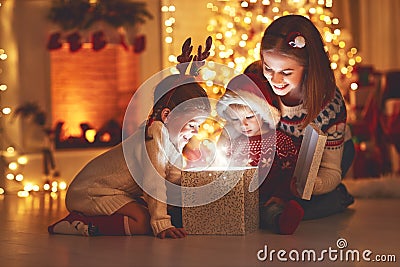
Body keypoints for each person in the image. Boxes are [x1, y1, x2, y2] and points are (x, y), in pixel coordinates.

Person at [48, 37, 212, 239]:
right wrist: (161, 223)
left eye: (199, 126)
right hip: (90, 192)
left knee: (152, 211)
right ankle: (76, 224)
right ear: (167, 115)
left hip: (119, 193)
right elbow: (155, 181)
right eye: (191, 124)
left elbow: (174, 177)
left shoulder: (174, 140)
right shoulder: (154, 133)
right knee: (143, 223)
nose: (196, 131)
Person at [258, 14, 354, 220]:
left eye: (286, 72)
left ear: (309, 68)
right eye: (268, 68)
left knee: (302, 206)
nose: (275, 79)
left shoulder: (328, 105)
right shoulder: (258, 84)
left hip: (325, 162)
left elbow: (331, 171)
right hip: (283, 162)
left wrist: (311, 186)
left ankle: (336, 197)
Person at [216, 73, 304, 235]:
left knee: (269, 212)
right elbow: (222, 168)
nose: (243, 124)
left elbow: (291, 171)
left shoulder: (279, 140)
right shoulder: (234, 142)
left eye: (249, 117)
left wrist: (281, 195)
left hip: (268, 198)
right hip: (240, 200)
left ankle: (281, 222)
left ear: (262, 113)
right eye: (235, 120)